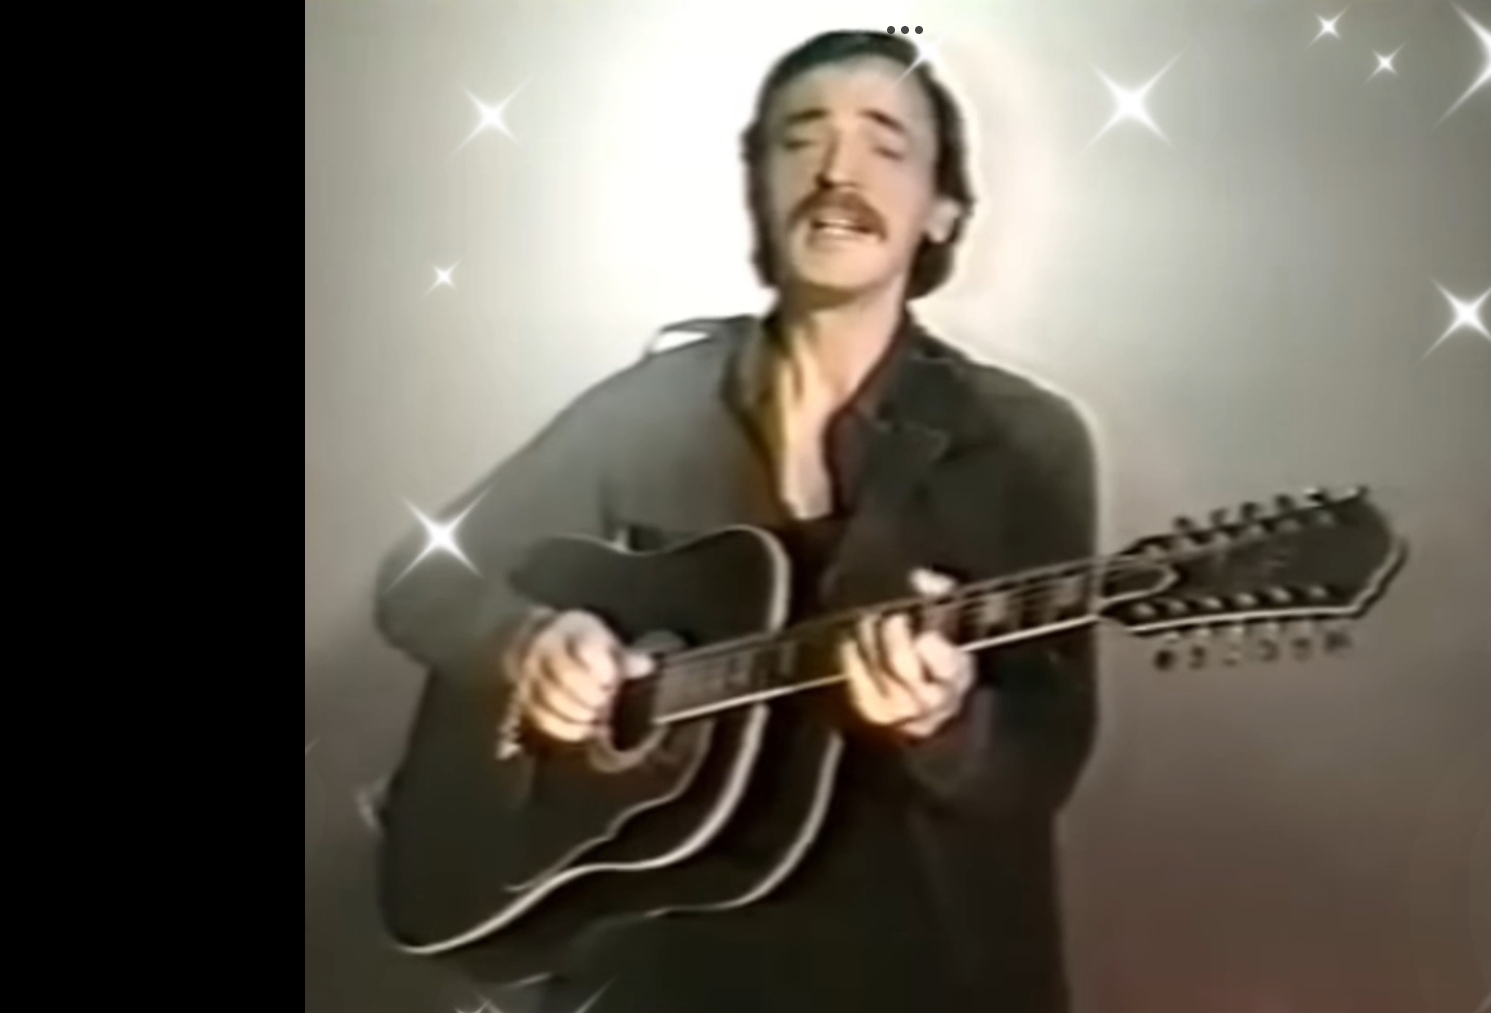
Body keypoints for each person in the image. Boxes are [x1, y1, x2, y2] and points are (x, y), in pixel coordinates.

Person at [373, 29, 1100, 1013]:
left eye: (885, 143)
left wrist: (945, 722)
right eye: (801, 139)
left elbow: (1045, 756)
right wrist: (525, 643)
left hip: (931, 970)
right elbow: (420, 578)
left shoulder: (1021, 440)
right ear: (758, 183)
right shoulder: (652, 406)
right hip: (659, 973)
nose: (837, 170)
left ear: (942, 208)